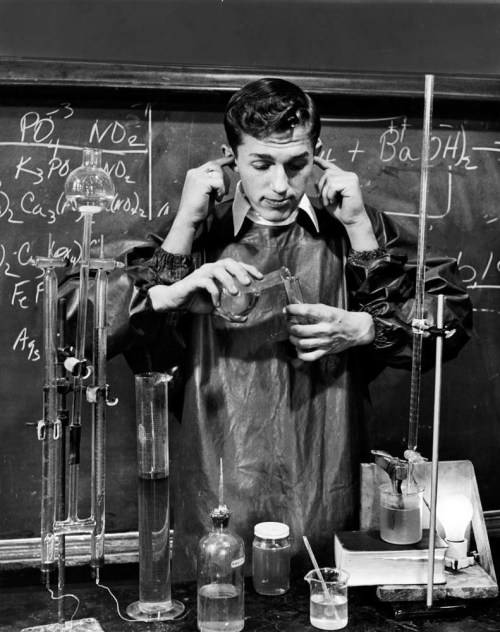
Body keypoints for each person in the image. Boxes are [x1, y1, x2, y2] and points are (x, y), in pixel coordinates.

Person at [127, 78, 472, 580]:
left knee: (327, 588)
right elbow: (118, 329)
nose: (281, 186)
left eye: (297, 164)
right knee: (220, 591)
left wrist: (367, 324)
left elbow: (448, 320)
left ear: (319, 155)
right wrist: (184, 226)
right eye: (261, 164)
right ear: (230, 158)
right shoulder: (197, 228)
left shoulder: (355, 223)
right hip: (217, 473)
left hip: (328, 469)